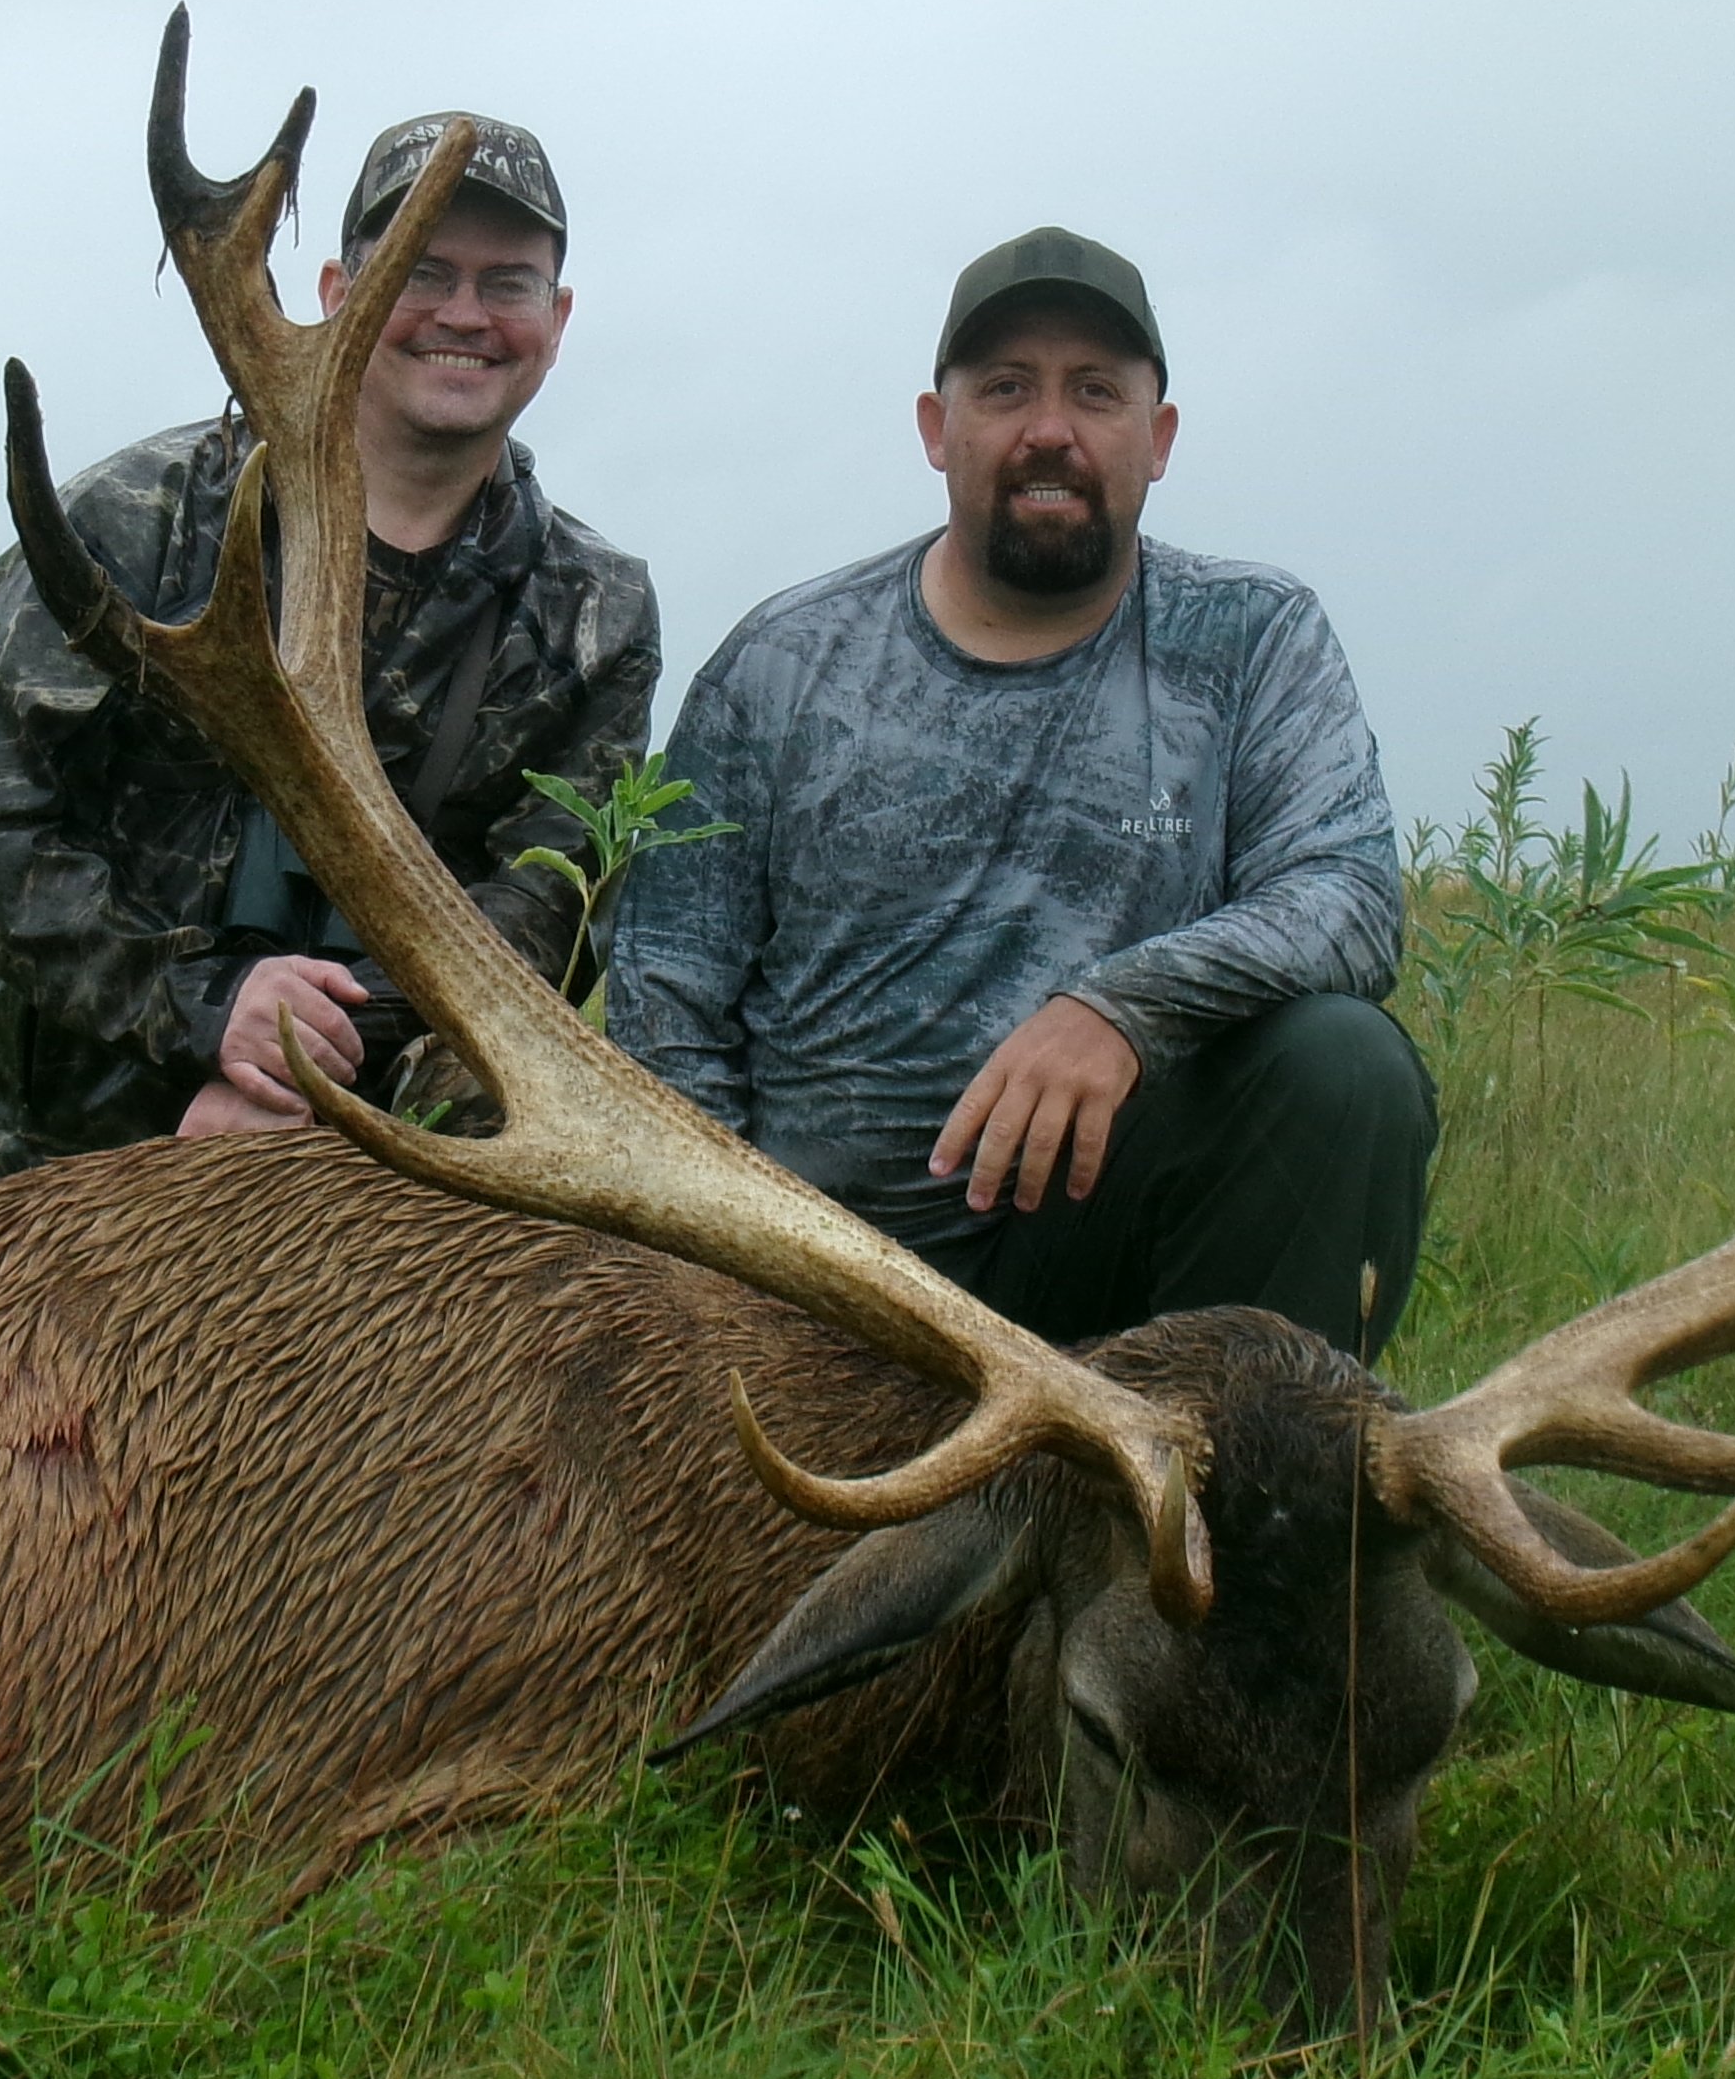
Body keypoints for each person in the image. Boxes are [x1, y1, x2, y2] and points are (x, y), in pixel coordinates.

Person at [607, 227, 1432, 1358]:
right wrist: (741, 1285)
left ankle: (1248, 1497)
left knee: (1342, 1064)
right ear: (938, 432)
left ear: (1160, 438)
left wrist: (1120, 1007)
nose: (1052, 430)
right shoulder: (781, 665)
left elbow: (1346, 895)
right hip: (826, 1292)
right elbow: (670, 1016)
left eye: (1096, 392)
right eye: (1007, 389)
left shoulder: (1249, 640)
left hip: (1106, 1274)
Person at [0, 110, 660, 1188]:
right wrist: (205, 1011)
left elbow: (546, 908)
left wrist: (308, 1065)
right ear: (335, 293)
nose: (464, 314)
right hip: (57, 1183)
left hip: (381, 1194)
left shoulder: (596, 608)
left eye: (508, 283)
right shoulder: (133, 520)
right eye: (421, 270)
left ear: (558, 314)